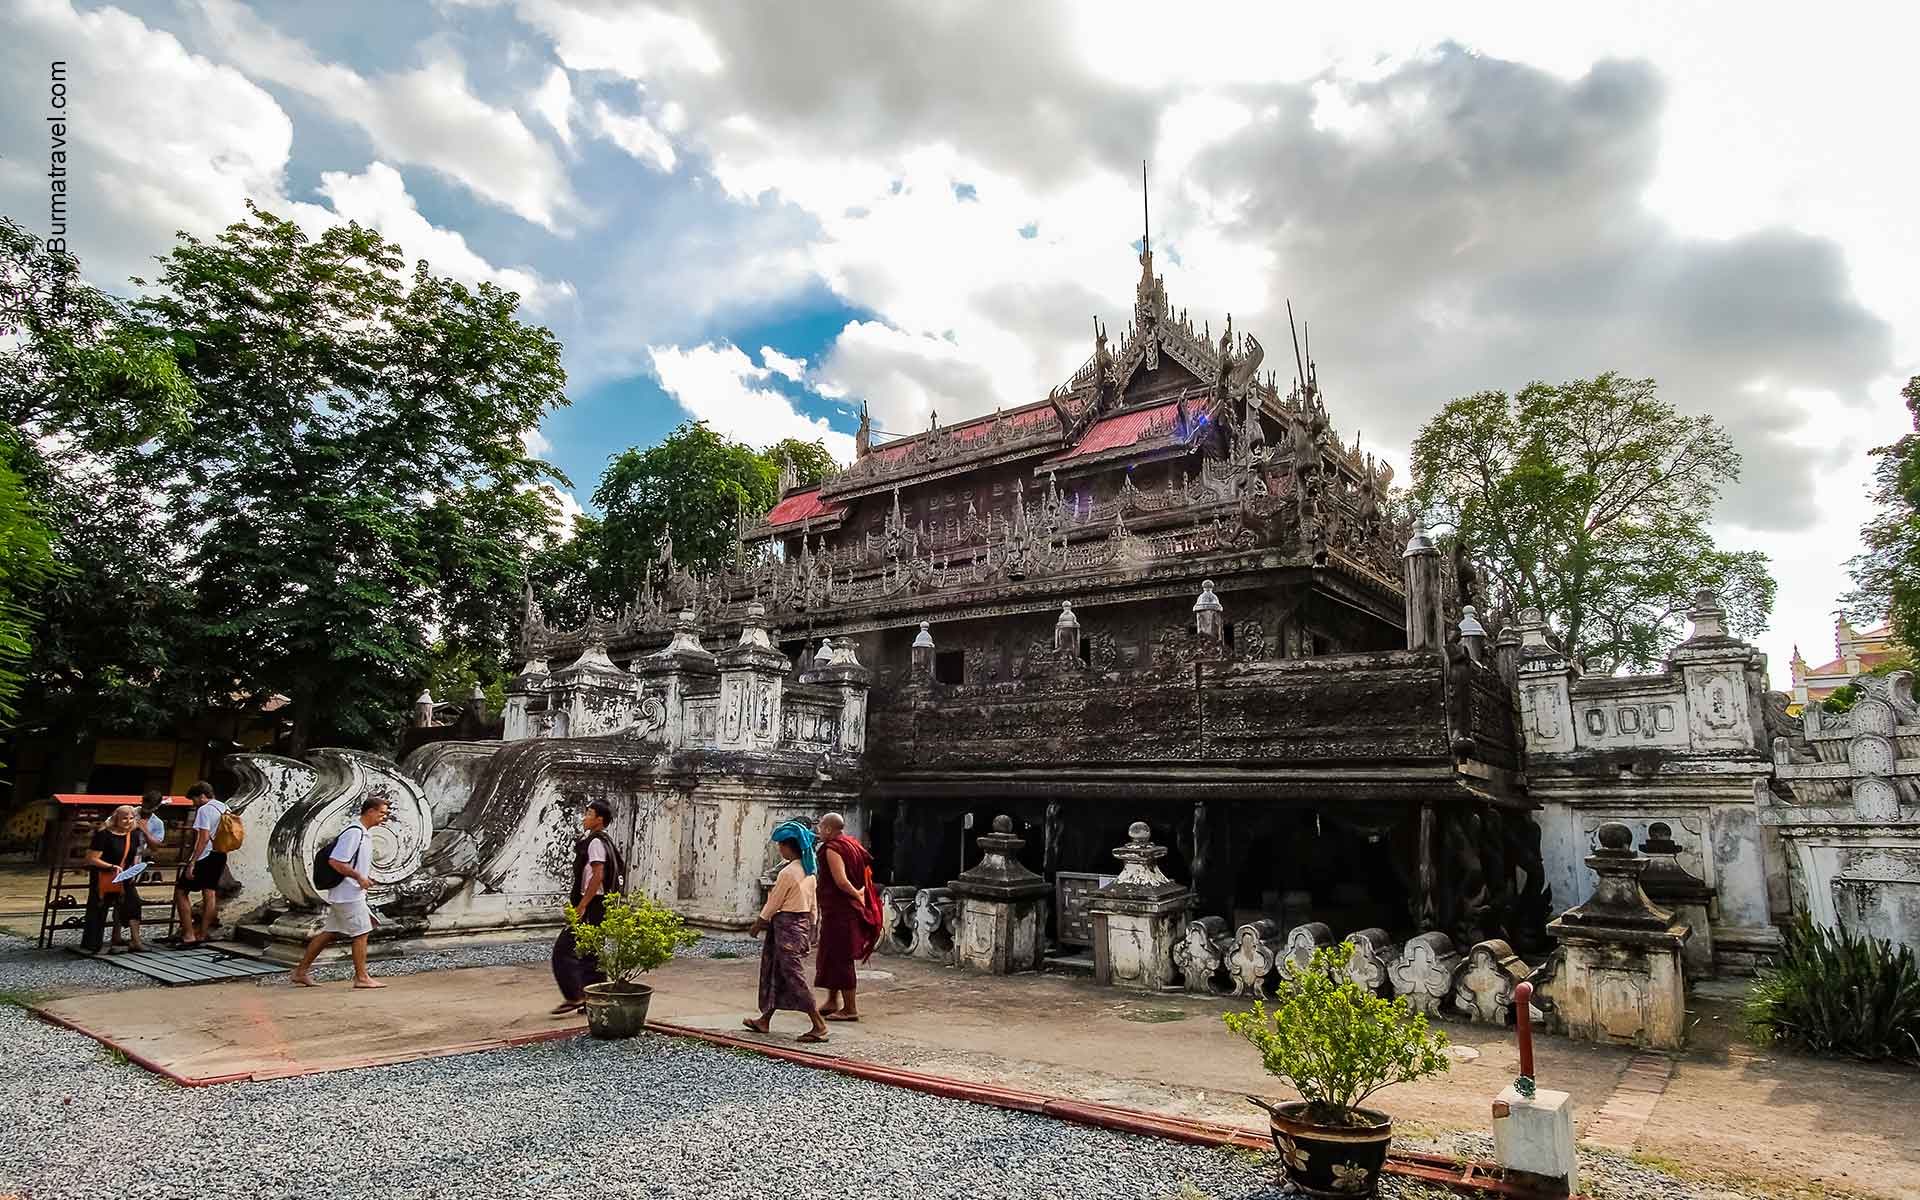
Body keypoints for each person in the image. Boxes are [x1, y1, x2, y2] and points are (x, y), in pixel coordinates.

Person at [289, 794, 390, 988]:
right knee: (362, 932)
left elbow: (348, 862)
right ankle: (361, 978)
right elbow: (336, 861)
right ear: (370, 811)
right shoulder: (355, 833)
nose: (384, 817)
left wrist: (363, 876)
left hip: (346, 893)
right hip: (349, 894)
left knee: (330, 932)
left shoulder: (362, 833)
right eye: (382, 813)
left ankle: (301, 972)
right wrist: (359, 877)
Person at [742, 820, 829, 1044]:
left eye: (781, 845)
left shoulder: (788, 873)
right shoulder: (809, 870)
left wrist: (758, 923)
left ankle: (818, 1024)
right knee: (777, 973)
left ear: (790, 847)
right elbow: (813, 906)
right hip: (799, 925)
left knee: (793, 976)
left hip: (786, 926)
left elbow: (774, 903)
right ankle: (765, 1019)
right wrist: (812, 928)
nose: (779, 849)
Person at [551, 798, 625, 1016]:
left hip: (592, 903)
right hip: (600, 904)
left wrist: (582, 905)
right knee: (592, 953)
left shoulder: (595, 842)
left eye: (589, 814)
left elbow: (597, 875)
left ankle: (575, 995)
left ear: (599, 819)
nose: (585, 817)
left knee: (563, 951)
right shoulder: (605, 841)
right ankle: (594, 997)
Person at [813, 811, 881, 1022]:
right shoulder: (851, 843)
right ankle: (832, 1000)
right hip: (838, 909)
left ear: (828, 829)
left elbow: (841, 881)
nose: (817, 830)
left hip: (842, 909)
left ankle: (850, 1009)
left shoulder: (832, 849)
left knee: (841, 958)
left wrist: (857, 894)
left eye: (820, 827)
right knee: (831, 955)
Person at [80, 806, 151, 954]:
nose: (128, 821)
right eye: (124, 818)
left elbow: (135, 854)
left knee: (133, 903)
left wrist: (136, 868)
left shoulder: (134, 833)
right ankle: (92, 945)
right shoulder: (103, 834)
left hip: (125, 875)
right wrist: (111, 866)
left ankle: (135, 941)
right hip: (104, 875)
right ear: (116, 818)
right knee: (99, 908)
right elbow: (91, 858)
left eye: (131, 818)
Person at [171, 781, 228, 947]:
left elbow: (202, 838)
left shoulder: (205, 810)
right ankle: (203, 933)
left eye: (195, 799)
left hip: (205, 855)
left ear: (202, 795)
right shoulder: (224, 807)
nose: (194, 803)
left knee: (181, 892)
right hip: (220, 855)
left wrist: (192, 861)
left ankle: (188, 934)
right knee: (209, 894)